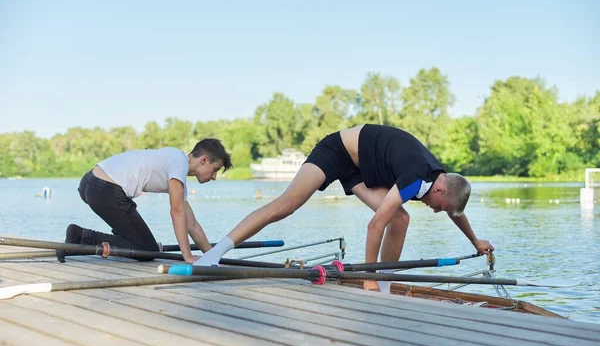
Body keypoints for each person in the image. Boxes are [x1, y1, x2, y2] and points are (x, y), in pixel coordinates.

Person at [195, 124, 494, 292]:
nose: (435, 211)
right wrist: (367, 279)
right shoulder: (416, 177)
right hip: (336, 152)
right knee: (285, 206)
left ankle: (385, 286)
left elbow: (456, 208)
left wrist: (475, 241)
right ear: (439, 188)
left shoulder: (439, 181)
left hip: (363, 167)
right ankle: (214, 254)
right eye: (439, 207)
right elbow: (375, 224)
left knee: (400, 219)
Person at [57, 138, 232, 263]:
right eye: (215, 169)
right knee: (148, 250)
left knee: (141, 244)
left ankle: (90, 238)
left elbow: (191, 224)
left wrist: (212, 256)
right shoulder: (179, 163)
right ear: (204, 160)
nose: (214, 176)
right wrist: (187, 255)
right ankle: (81, 236)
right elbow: (176, 211)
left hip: (91, 183)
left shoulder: (176, 168)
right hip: (104, 188)